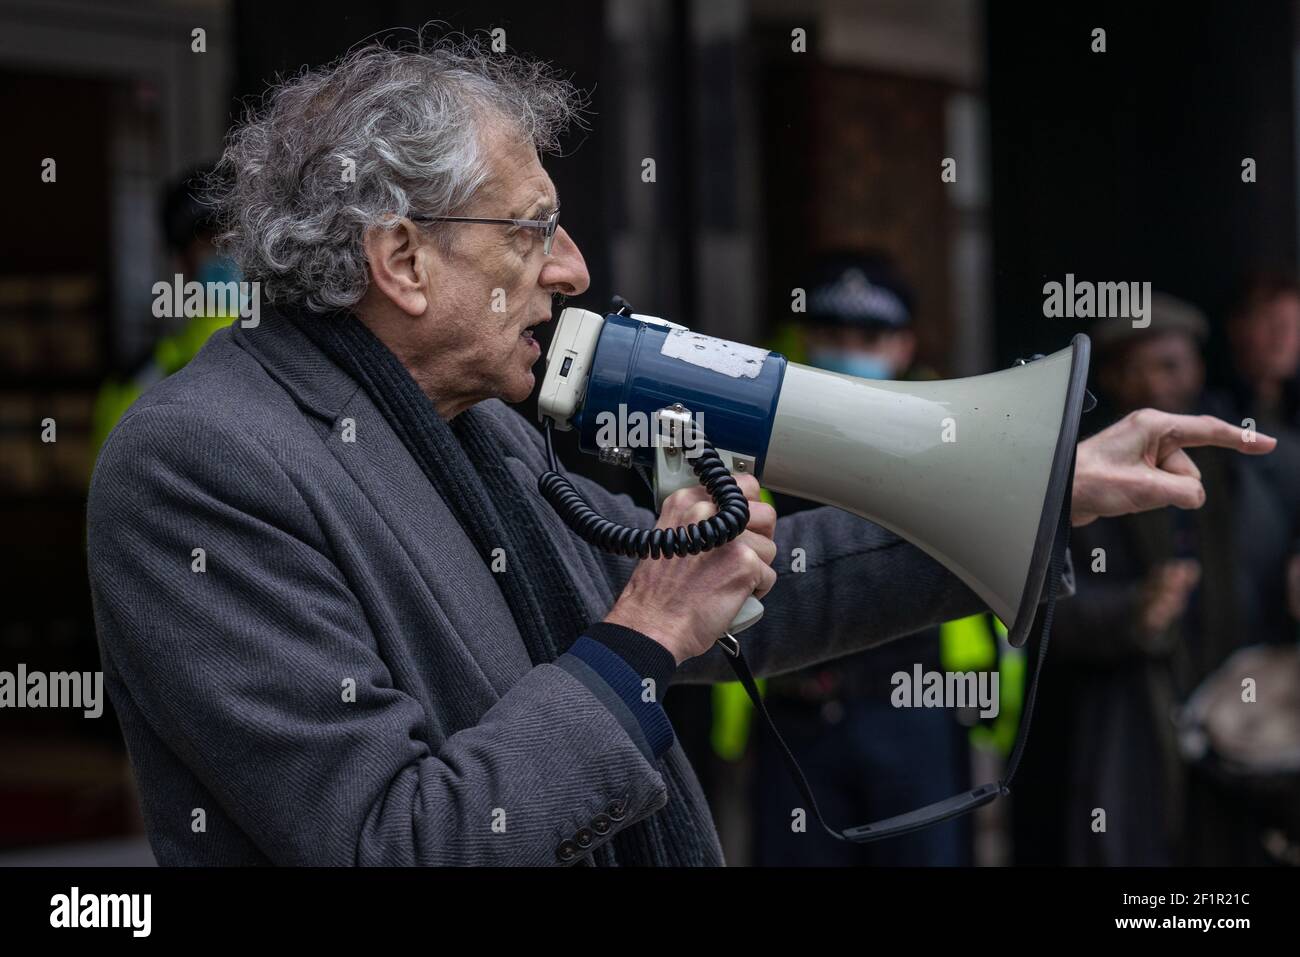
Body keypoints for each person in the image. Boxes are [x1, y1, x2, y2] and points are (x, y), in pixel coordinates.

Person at [86, 38, 1275, 866]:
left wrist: (1045, 492)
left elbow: (737, 600)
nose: (573, 271)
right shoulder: (204, 468)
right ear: (401, 261)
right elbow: (397, 840)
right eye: (533, 229)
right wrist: (641, 634)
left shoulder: (481, 423)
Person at [1014, 293, 1298, 865]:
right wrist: (1135, 611)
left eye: (1185, 361)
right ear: (1118, 376)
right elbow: (1038, 616)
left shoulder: (1252, 465)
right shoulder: (1073, 476)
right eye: (1159, 365)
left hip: (1242, 720)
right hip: (1131, 724)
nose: (1178, 379)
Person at [751, 251, 973, 866]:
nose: (851, 350)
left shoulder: (952, 437)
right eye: (833, 335)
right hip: (794, 716)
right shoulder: (752, 443)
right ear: (805, 340)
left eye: (871, 337)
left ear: (904, 347)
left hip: (915, 710)